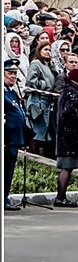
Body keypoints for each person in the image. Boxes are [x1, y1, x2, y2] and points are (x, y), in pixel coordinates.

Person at [53, 67, 78, 207]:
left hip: (64, 136)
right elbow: (69, 111)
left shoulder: (66, 91)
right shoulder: (73, 92)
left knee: (66, 168)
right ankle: (60, 197)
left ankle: (61, 197)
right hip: (69, 137)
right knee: (66, 168)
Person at [4, 58, 30, 210]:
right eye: (9, 73)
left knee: (9, 169)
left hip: (14, 138)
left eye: (15, 73)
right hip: (6, 138)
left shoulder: (12, 92)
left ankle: (5, 197)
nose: (13, 76)